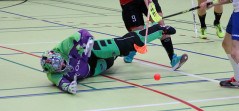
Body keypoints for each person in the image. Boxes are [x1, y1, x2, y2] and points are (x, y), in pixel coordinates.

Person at [40, 23, 176, 94]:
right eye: (60, 67)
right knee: (113, 57)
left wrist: (87, 42)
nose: (63, 65)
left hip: (91, 51)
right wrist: (70, 88)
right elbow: (62, 84)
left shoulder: (62, 47)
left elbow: (82, 33)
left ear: (58, 55)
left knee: (125, 44)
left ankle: (158, 30)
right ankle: (126, 49)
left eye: (62, 62)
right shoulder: (53, 75)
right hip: (92, 69)